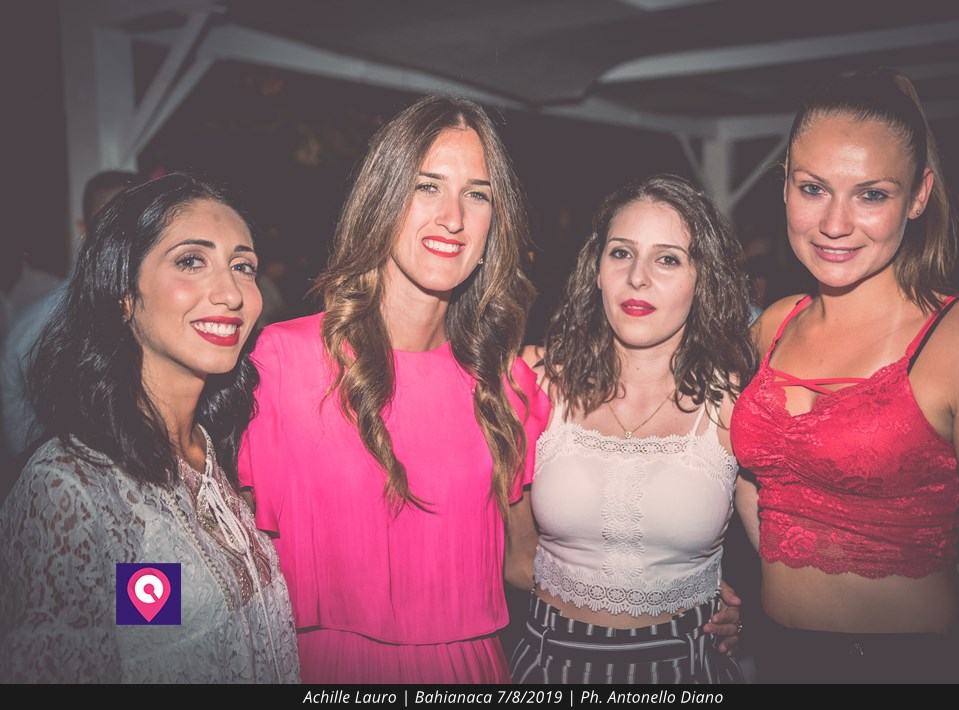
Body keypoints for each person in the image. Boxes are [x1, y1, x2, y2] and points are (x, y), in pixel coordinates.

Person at [238, 96, 549, 683]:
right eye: (427, 186)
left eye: (477, 194)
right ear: (382, 198)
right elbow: (198, 547)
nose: (453, 217)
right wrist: (138, 631)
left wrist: (674, 599)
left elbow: (527, 562)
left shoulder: (508, 386)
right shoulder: (282, 362)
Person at [731, 68, 959, 683]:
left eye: (871, 195)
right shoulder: (773, 326)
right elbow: (752, 489)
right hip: (777, 661)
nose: (835, 224)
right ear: (784, 185)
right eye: (813, 189)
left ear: (918, 196)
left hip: (906, 669)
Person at [0, 173, 300, 683]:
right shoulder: (69, 488)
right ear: (122, 292)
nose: (230, 293)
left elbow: (155, 629)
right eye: (191, 261)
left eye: (242, 266)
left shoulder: (220, 454)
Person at [505, 174, 754, 684]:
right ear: (596, 271)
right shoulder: (534, 382)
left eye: (668, 259)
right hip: (551, 663)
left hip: (687, 666)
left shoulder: (735, 403)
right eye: (621, 253)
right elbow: (515, 558)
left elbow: (790, 554)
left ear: (702, 279)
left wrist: (748, 611)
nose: (638, 278)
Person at [2, 170, 140, 461]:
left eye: (133, 221)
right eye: (108, 221)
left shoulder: (167, 311)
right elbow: (24, 439)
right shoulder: (38, 327)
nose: (122, 234)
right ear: (84, 229)